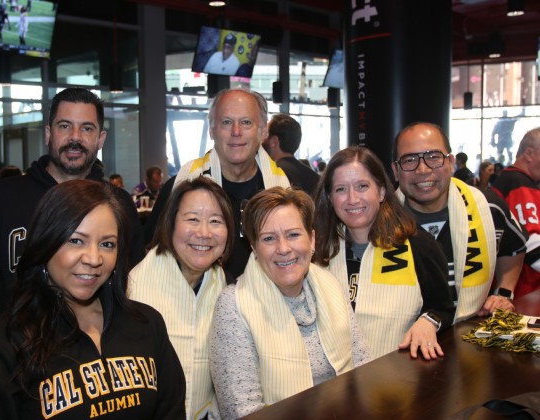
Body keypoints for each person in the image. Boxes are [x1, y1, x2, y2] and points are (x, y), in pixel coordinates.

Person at [0, 180, 186, 419]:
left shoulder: (147, 325)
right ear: (45, 243)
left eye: (107, 244)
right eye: (76, 240)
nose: (94, 258)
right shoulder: (0, 345)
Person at [0, 87, 142, 338]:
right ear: (48, 134)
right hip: (16, 354)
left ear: (101, 139)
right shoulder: (0, 199)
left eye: (87, 128)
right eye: (64, 126)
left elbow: (131, 284)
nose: (75, 137)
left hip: (94, 352)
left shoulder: (118, 204)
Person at [210, 187, 371, 419]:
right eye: (268, 238)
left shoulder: (331, 285)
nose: (283, 249)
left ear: (312, 239)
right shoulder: (233, 306)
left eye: (293, 234)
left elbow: (364, 368)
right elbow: (242, 413)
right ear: (254, 249)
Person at [313, 146, 454, 360]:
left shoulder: (418, 245)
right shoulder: (317, 250)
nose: (352, 199)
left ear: (380, 192)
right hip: (333, 383)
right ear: (330, 197)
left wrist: (429, 321)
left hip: (399, 381)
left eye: (362, 186)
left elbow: (443, 308)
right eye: (341, 189)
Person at [143, 88, 291, 279]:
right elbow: (153, 255)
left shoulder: (281, 191)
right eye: (226, 122)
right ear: (212, 131)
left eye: (246, 122)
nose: (236, 132)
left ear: (263, 132)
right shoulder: (181, 188)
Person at [392, 122, 527, 322]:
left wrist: (504, 292)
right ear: (396, 171)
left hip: (468, 337)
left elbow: (514, 247)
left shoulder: (487, 207)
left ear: (450, 163)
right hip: (401, 342)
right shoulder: (381, 220)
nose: (422, 169)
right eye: (409, 160)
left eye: (433, 157)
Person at [129, 177, 234, 419]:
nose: (204, 233)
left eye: (216, 221)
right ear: (170, 223)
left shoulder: (227, 287)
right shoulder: (131, 288)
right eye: (192, 219)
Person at [492, 127, 540, 298]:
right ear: (528, 154)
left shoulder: (513, 180)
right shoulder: (517, 182)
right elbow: (531, 243)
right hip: (523, 291)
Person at [262, 114, 320, 196]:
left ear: (274, 141)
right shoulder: (315, 177)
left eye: (265, 134)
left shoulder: (273, 174)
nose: (262, 139)